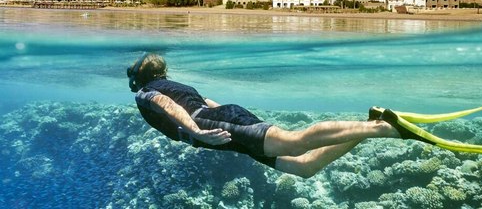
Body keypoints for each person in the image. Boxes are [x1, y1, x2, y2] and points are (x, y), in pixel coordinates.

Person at [127, 53, 401, 178]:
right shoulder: (175, 85)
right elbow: (209, 102)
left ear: (140, 78)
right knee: (304, 167)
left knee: (295, 142)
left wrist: (198, 132)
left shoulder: (146, 93)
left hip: (215, 125)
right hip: (225, 127)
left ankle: (384, 128)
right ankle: (370, 125)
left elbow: (167, 105)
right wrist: (235, 123)